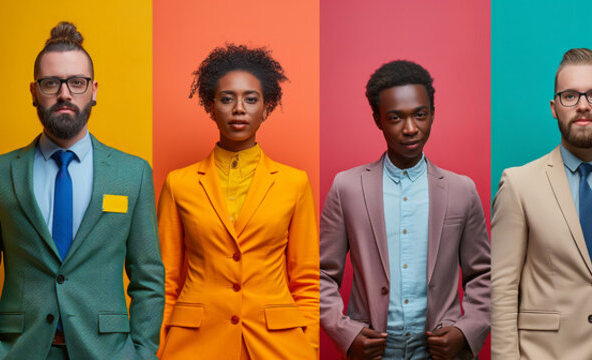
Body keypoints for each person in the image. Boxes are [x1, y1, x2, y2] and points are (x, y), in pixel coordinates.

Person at [0, 21, 165, 360]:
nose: (65, 94)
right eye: (51, 83)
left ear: (94, 90)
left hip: (107, 352)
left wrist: (142, 353)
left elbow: (148, 276)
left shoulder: (133, 174)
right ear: (34, 91)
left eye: (77, 83)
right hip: (18, 351)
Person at [156, 44, 318, 359]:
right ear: (210, 106)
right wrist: (157, 348)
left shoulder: (294, 183)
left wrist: (308, 347)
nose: (239, 108)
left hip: (278, 345)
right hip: (194, 345)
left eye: (251, 99)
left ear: (267, 107)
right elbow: (165, 281)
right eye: (227, 98)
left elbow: (307, 282)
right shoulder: (179, 184)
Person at [320, 60, 490, 360]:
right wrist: (346, 332)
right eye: (395, 117)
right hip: (371, 352)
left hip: (443, 353)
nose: (410, 129)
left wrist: (466, 331)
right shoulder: (346, 187)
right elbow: (321, 275)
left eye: (420, 115)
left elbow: (483, 274)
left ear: (432, 114)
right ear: (378, 119)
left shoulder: (461, 189)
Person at [492, 48, 592, 360]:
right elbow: (502, 290)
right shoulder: (519, 184)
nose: (583, 105)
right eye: (570, 96)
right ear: (554, 107)